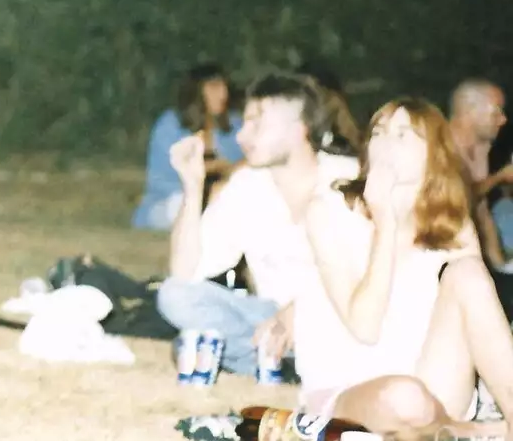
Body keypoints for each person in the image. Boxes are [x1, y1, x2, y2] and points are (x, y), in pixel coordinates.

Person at [295, 97, 513, 439]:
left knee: (468, 273)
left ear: (433, 154)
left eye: (402, 135)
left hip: (434, 385)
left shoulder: (452, 227)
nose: (384, 144)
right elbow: (364, 328)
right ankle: (467, 432)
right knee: (406, 398)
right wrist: (386, 224)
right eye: (379, 133)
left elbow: (477, 319)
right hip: (354, 389)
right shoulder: (329, 211)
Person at [157, 73, 361, 378]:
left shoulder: (350, 181)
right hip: (268, 318)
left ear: (298, 129)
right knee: (173, 295)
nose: (241, 136)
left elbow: (371, 278)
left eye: (257, 124)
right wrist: (192, 187)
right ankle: (282, 364)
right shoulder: (246, 186)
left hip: (342, 315)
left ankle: (259, 360)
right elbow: (185, 274)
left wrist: (301, 312)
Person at [132, 62, 244, 230]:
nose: (223, 94)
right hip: (173, 199)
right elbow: (162, 177)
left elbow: (248, 164)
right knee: (183, 207)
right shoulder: (171, 125)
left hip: (221, 198)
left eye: (224, 87)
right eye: (214, 88)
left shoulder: (234, 125)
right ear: (196, 92)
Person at [447, 79, 513, 268]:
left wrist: (501, 264)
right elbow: (456, 200)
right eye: (496, 113)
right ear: (470, 114)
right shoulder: (440, 147)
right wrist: (500, 177)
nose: (503, 120)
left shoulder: (481, 146)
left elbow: (481, 209)